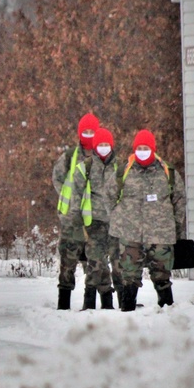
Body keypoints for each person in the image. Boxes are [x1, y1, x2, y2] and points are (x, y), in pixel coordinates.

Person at [108, 129, 186, 312]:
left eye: (146, 147)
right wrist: (119, 217)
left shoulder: (168, 172)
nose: (142, 151)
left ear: (153, 149)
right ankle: (128, 310)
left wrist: (175, 225)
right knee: (129, 273)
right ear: (135, 149)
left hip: (160, 233)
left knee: (161, 273)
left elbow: (179, 199)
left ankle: (167, 310)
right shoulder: (123, 171)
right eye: (139, 148)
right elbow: (109, 195)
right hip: (130, 232)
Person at [51, 113, 99, 310]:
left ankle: (90, 305)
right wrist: (70, 200)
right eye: (85, 132)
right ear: (80, 133)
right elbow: (58, 179)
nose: (88, 135)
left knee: (94, 264)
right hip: (72, 220)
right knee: (68, 263)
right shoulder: (70, 156)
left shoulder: (102, 155)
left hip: (96, 219)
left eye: (92, 131)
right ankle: (63, 305)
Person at [85, 127, 119, 310]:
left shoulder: (120, 167)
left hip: (116, 223)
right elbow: (77, 194)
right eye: (101, 145)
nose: (104, 148)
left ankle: (123, 304)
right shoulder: (87, 167)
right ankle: (89, 301)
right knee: (96, 263)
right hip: (95, 223)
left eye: (107, 144)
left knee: (119, 265)